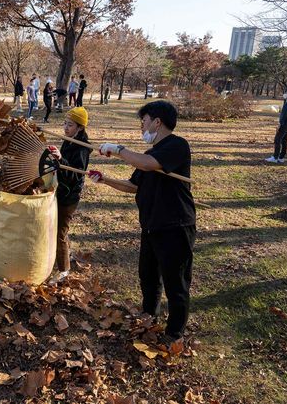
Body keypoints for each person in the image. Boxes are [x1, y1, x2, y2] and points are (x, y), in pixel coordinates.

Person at [90, 100, 195, 344]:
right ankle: (149, 316)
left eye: (144, 121)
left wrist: (118, 149)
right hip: (151, 225)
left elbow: (149, 165)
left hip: (175, 226)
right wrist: (105, 179)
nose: (141, 126)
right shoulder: (147, 155)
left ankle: (174, 334)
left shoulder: (177, 145)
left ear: (157, 122)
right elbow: (133, 186)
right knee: (148, 276)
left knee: (175, 282)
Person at [47, 107, 91, 284]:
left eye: (70, 125)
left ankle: (64, 270)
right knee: (57, 229)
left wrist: (60, 160)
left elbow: (76, 174)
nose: (65, 127)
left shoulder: (82, 148)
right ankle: (59, 259)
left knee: (60, 232)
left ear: (80, 127)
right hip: (61, 190)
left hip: (70, 196)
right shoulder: (69, 140)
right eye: (65, 123)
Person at [265, 88, 287, 163]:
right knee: (284, 140)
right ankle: (281, 157)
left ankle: (275, 157)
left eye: (286, 92)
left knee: (277, 140)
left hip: (285, 124)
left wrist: (280, 124)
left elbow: (284, 115)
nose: (285, 94)